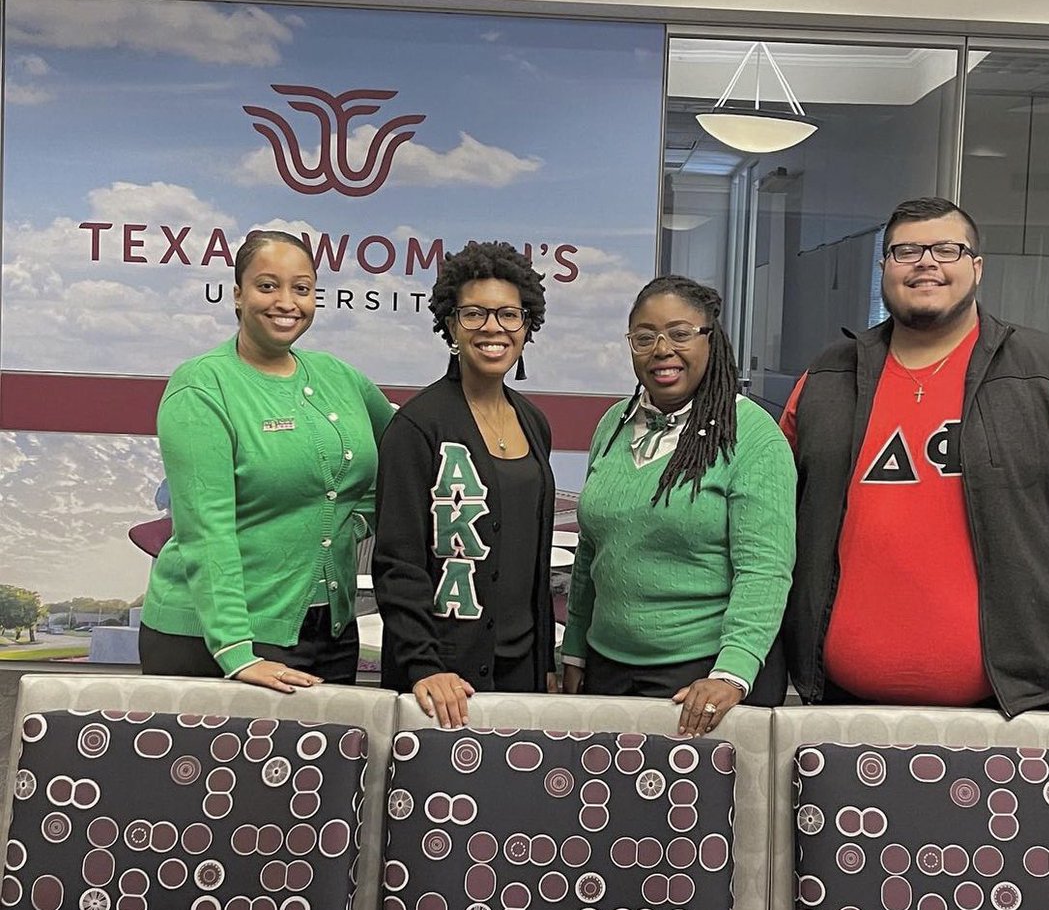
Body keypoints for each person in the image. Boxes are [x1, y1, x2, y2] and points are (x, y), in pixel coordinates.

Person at [781, 197, 1049, 718]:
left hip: (1032, 701)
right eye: (906, 251)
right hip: (843, 701)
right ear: (884, 268)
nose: (926, 263)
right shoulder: (825, 380)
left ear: (977, 267)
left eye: (947, 250)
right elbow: (775, 522)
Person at [139, 230, 395, 693]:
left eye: (302, 288)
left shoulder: (341, 377)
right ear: (238, 295)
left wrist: (356, 520)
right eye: (267, 286)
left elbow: (405, 450)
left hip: (332, 633)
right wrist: (235, 651)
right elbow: (205, 528)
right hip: (218, 639)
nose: (286, 302)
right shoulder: (201, 386)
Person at [561, 275, 797, 738]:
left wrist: (732, 672)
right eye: (644, 337)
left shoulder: (752, 434)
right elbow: (592, 551)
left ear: (711, 338)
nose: (662, 349)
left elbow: (765, 568)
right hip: (608, 669)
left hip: (703, 677)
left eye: (680, 333)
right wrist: (575, 650)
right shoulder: (614, 424)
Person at [372, 240, 557, 727]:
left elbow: (532, 561)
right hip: (442, 678)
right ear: (450, 325)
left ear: (527, 326)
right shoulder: (417, 426)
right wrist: (424, 665)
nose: (493, 328)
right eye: (474, 313)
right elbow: (397, 563)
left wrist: (546, 661)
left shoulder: (534, 422)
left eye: (509, 315)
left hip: (524, 670)